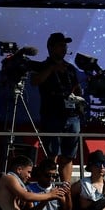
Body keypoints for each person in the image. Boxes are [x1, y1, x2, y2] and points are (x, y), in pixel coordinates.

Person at [31, 31, 82, 182]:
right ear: (51, 47)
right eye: (60, 46)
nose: (64, 49)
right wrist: (52, 69)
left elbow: (77, 88)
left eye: (65, 46)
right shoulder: (42, 66)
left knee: (68, 155)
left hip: (72, 116)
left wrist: (79, 99)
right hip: (52, 115)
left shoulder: (70, 68)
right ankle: (49, 185)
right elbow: (35, 81)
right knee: (52, 153)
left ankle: (65, 188)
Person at [0, 154, 66, 210]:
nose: (29, 176)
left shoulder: (16, 182)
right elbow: (25, 196)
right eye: (28, 172)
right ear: (19, 169)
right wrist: (50, 195)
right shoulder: (9, 178)